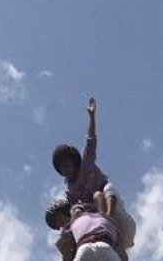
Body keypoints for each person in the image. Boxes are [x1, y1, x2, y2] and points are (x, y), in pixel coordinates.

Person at [51, 97, 136, 251]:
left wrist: (92, 117)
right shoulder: (71, 189)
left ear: (74, 161)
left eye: (67, 165)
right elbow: (74, 207)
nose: (66, 170)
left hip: (111, 206)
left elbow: (91, 140)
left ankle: (108, 218)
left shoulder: (86, 165)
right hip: (94, 215)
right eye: (62, 169)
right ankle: (105, 236)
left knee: (102, 191)